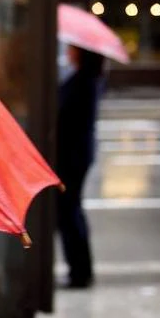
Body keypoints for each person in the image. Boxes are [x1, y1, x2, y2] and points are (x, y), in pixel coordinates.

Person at [55, 42, 105, 288]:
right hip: (76, 155)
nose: (69, 51)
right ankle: (80, 268)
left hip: (72, 157)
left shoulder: (83, 81)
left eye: (73, 48)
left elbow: (65, 116)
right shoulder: (84, 78)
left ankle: (80, 271)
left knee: (69, 210)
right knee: (70, 209)